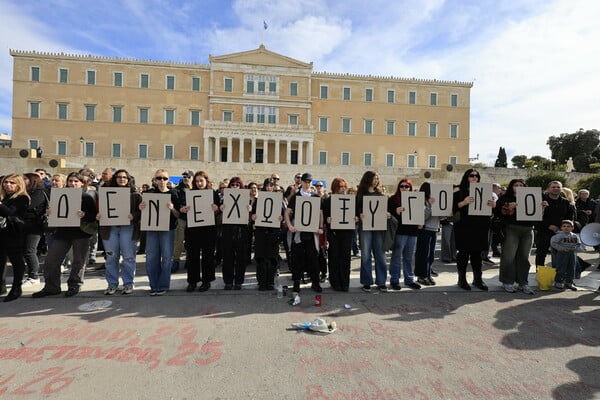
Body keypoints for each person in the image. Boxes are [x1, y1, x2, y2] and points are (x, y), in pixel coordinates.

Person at [32, 172, 98, 298]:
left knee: (78, 261)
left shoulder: (86, 197)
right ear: (67, 182)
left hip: (81, 233)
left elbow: (94, 216)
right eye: (70, 181)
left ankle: (74, 284)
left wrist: (84, 215)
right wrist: (50, 212)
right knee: (51, 260)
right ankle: (52, 287)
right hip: (63, 233)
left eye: (76, 181)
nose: (72, 184)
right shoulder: (59, 196)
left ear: (81, 183)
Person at [98, 169, 142, 295]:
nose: (122, 179)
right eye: (119, 177)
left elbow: (142, 211)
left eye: (124, 177)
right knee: (111, 257)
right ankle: (112, 284)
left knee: (128, 257)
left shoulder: (135, 195)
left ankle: (128, 283)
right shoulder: (105, 193)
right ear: (115, 179)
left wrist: (134, 215)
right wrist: (99, 215)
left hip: (128, 228)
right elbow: (99, 209)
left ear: (128, 179)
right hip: (110, 228)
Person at [453, 168, 496, 291]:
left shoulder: (485, 191)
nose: (474, 178)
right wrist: (463, 203)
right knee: (463, 253)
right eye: (471, 176)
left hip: (480, 226)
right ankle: (462, 279)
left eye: (476, 176)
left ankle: (477, 279)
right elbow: (451, 209)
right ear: (466, 177)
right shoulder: (459, 192)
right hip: (464, 226)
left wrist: (492, 206)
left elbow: (492, 210)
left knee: (477, 254)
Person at [139, 169, 180, 296]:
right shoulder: (149, 193)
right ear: (155, 180)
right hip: (152, 229)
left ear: (168, 180)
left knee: (167, 258)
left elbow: (178, 215)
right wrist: (141, 208)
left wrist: (172, 208)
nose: (162, 181)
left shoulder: (174, 194)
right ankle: (154, 285)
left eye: (165, 178)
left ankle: (163, 285)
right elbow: (144, 213)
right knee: (151, 258)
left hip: (168, 229)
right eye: (159, 178)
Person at [179, 171, 220, 292]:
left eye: (201, 180)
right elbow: (182, 207)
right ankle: (192, 281)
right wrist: (184, 209)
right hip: (193, 229)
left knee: (208, 256)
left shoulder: (213, 193)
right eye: (197, 181)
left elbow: (218, 209)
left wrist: (216, 209)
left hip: (208, 229)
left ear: (206, 181)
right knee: (192, 257)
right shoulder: (190, 193)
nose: (199, 183)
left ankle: (206, 281)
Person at [494, 179, 535, 294]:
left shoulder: (532, 197)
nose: (518, 187)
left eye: (521, 185)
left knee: (524, 257)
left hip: (528, 230)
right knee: (509, 257)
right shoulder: (505, 199)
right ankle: (507, 282)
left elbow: (537, 215)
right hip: (511, 229)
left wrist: (542, 207)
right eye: (516, 185)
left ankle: (523, 283)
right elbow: (499, 213)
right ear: (511, 187)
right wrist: (509, 208)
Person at [285, 172, 323, 293]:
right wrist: (290, 226)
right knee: (297, 260)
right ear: (301, 182)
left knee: (313, 260)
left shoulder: (316, 196)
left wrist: (320, 227)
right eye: (305, 181)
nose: (307, 184)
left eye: (309, 182)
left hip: (311, 234)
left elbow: (320, 213)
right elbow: (287, 212)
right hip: (299, 233)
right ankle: (296, 283)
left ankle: (315, 283)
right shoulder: (296, 197)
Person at [356, 171, 388, 293]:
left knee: (380, 254)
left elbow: (385, 209)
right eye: (374, 178)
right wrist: (359, 214)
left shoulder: (380, 194)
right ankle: (366, 282)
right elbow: (356, 209)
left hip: (378, 227)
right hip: (365, 227)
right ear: (368, 179)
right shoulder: (361, 194)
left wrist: (387, 214)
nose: (376, 180)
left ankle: (381, 282)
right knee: (365, 254)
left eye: (377, 178)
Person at [0, 174, 30, 302]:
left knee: (16, 260)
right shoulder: (4, 197)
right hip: (1, 233)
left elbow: (10, 212)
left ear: (19, 185)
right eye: (6, 182)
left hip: (13, 233)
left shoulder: (22, 198)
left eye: (12, 182)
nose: (8, 185)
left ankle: (16, 287)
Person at [388, 178, 421, 290]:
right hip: (400, 232)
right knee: (396, 256)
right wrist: (396, 212)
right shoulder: (393, 200)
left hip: (412, 232)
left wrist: (421, 222)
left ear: (410, 188)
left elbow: (419, 212)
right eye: (402, 186)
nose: (404, 188)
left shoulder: (416, 199)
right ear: (399, 187)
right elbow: (388, 215)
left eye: (407, 186)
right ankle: (394, 280)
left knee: (409, 257)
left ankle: (409, 279)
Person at [321, 177, 354, 291]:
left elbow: (355, 214)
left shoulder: (350, 200)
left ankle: (345, 282)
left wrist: (356, 218)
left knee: (345, 258)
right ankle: (335, 282)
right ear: (335, 188)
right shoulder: (328, 201)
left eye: (345, 187)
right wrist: (327, 220)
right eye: (341, 187)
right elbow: (323, 217)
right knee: (334, 257)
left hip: (347, 232)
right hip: (334, 233)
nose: (343, 189)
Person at [535, 181, 575, 267]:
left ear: (561, 189)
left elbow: (569, 218)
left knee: (560, 254)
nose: (556, 188)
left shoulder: (566, 202)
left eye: (558, 187)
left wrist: (563, 227)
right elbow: (537, 217)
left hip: (560, 232)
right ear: (548, 189)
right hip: (544, 231)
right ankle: (539, 273)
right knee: (541, 253)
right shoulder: (541, 201)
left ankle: (559, 273)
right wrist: (548, 225)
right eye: (553, 187)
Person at [220, 177, 251, 290]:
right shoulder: (224, 199)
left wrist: (249, 210)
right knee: (228, 257)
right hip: (228, 230)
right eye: (232, 185)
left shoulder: (246, 199)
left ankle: (238, 281)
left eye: (237, 185)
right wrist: (221, 208)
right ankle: (228, 281)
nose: (234, 187)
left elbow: (249, 219)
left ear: (241, 186)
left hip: (241, 231)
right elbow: (221, 217)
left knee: (241, 258)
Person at [252, 178, 281, 291]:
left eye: (271, 186)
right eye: (267, 185)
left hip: (273, 233)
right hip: (260, 233)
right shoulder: (259, 200)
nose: (269, 188)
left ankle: (270, 282)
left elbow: (282, 215)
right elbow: (253, 215)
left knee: (272, 258)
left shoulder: (278, 200)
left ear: (274, 187)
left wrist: (281, 217)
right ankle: (261, 282)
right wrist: (253, 217)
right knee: (261, 258)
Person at [21, 172, 48, 286]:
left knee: (29, 251)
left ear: (33, 180)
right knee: (27, 251)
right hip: (26, 225)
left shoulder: (39, 192)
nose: (23, 181)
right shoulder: (28, 192)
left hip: (34, 226)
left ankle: (34, 276)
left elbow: (29, 206)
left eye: (25, 179)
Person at [414, 182, 440, 286]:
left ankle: (428, 274)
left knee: (431, 255)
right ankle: (421, 276)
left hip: (434, 229)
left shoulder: (435, 200)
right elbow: (422, 217)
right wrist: (429, 206)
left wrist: (445, 213)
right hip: (424, 230)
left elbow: (440, 217)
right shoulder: (422, 201)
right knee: (423, 254)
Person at [171, 169, 193, 272]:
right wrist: (180, 208)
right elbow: (175, 201)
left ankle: (189, 259)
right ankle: (176, 260)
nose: (186, 179)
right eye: (184, 177)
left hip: (194, 219)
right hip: (182, 218)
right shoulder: (177, 190)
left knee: (191, 241)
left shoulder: (196, 190)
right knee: (179, 240)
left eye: (188, 177)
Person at [550, 220, 580, 291]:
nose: (566, 228)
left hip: (572, 253)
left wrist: (575, 248)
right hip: (562, 253)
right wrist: (561, 248)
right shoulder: (559, 236)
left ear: (572, 228)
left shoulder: (575, 236)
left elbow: (579, 244)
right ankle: (559, 281)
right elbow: (553, 243)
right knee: (561, 267)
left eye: (568, 226)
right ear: (561, 228)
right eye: (564, 226)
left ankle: (569, 282)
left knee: (571, 267)